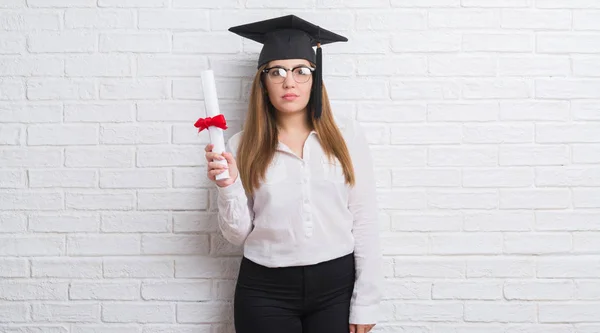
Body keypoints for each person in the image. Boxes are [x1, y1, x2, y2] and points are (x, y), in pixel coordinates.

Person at [204, 15, 382, 333]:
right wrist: (228, 185)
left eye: (301, 71)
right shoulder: (240, 144)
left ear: (315, 78)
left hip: (336, 289)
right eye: (277, 72)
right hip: (265, 291)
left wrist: (365, 301)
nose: (290, 82)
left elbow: (365, 220)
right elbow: (236, 235)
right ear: (263, 82)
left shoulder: (347, 135)